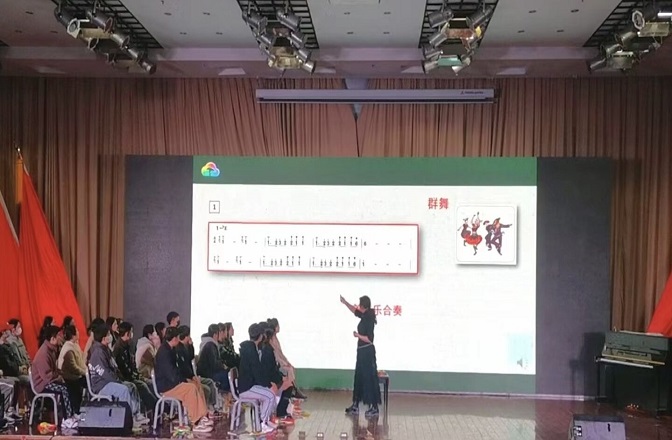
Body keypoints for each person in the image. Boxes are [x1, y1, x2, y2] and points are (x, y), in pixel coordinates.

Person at [87, 324, 149, 426]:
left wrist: (120, 379)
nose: (110, 336)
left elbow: (114, 367)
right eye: (108, 334)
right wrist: (118, 381)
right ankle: (129, 419)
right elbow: (105, 373)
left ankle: (136, 414)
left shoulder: (106, 349)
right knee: (123, 390)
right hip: (102, 385)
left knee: (132, 386)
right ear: (104, 338)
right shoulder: (98, 352)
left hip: (110, 381)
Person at [155, 327, 212, 433]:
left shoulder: (171, 349)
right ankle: (196, 422)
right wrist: (184, 380)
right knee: (190, 389)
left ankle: (203, 415)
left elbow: (178, 369)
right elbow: (171, 375)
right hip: (167, 387)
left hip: (172, 383)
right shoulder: (164, 352)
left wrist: (188, 378)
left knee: (196, 383)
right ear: (175, 339)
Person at [238, 323, 285, 434]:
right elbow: (257, 373)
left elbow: (258, 372)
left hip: (249, 385)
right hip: (246, 388)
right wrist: (268, 385)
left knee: (270, 393)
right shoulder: (251, 350)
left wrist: (268, 384)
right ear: (260, 336)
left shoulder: (250, 348)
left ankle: (265, 420)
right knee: (270, 395)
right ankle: (262, 423)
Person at [340, 295, 381, 418]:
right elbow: (355, 311)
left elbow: (369, 339)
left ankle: (374, 407)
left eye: (360, 304)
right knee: (359, 378)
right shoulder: (364, 315)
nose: (358, 306)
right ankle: (355, 405)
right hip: (361, 352)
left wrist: (357, 335)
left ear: (364, 306)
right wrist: (345, 302)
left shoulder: (369, 318)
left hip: (367, 353)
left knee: (369, 379)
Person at [32, 325, 78, 428]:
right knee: (63, 389)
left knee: (70, 384)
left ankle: (72, 414)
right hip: (42, 384)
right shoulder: (44, 353)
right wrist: (59, 377)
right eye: (58, 336)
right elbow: (46, 376)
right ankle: (66, 419)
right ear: (52, 339)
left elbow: (54, 371)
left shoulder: (51, 349)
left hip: (49, 380)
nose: (60, 337)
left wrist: (61, 375)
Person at [112, 322, 157, 413]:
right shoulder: (118, 348)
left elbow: (132, 364)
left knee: (151, 383)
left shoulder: (127, 345)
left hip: (132, 376)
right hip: (125, 379)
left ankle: (155, 410)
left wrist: (137, 375)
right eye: (131, 332)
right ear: (127, 333)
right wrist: (133, 377)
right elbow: (121, 369)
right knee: (142, 386)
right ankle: (156, 408)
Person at [174, 326, 218, 413]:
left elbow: (191, 357)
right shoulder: (179, 349)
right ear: (186, 336)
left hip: (191, 375)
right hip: (187, 378)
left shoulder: (185, 347)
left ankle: (211, 406)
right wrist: (192, 377)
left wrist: (191, 345)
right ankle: (203, 410)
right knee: (206, 389)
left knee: (210, 382)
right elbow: (184, 368)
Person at [259, 323, 294, 424]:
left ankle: (281, 409)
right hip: (268, 379)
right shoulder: (267, 350)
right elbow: (270, 369)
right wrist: (281, 378)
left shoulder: (264, 348)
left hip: (268, 377)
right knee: (288, 385)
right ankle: (281, 411)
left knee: (287, 381)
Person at [266, 318, 307, 400]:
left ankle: (293, 389)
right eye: (278, 325)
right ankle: (292, 390)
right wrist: (283, 362)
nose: (279, 327)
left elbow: (280, 352)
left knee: (291, 368)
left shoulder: (275, 337)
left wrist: (286, 361)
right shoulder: (271, 339)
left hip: (280, 361)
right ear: (275, 327)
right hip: (277, 363)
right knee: (289, 369)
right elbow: (277, 354)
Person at [58, 325, 87, 414]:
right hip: (69, 377)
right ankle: (77, 411)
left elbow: (80, 361)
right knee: (85, 382)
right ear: (73, 335)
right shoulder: (68, 349)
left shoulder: (75, 345)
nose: (78, 333)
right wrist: (85, 372)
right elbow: (73, 367)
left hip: (76, 375)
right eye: (77, 331)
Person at [197, 324, 229, 391]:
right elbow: (214, 364)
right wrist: (223, 366)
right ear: (215, 335)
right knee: (226, 375)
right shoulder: (210, 346)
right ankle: (225, 394)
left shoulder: (211, 344)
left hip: (208, 371)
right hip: (207, 374)